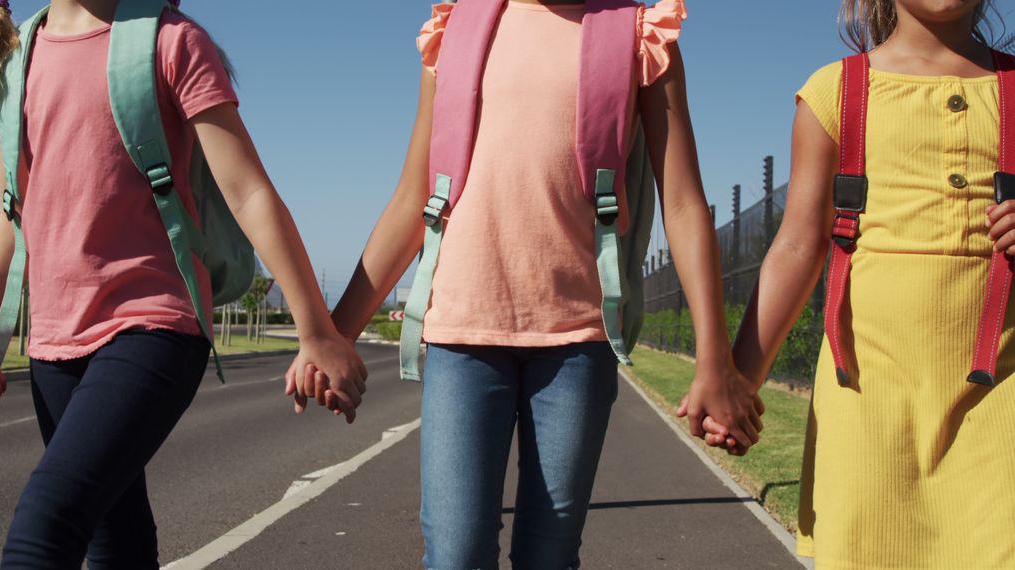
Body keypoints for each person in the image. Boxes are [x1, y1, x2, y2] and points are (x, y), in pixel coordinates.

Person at [315, 0, 763, 567]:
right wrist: (334, 335)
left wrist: (713, 360)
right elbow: (413, 200)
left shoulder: (642, 37)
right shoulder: (453, 31)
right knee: (455, 553)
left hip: (577, 341)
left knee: (548, 557)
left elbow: (683, 202)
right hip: (462, 334)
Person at [0, 0, 366, 567]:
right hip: (53, 338)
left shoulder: (171, 41)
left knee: (46, 522)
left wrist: (316, 332)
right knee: (113, 530)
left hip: (155, 323)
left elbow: (248, 191)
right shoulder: (16, 58)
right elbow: (10, 212)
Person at [725, 0, 1015, 566]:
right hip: (868, 403)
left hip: (998, 401)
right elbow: (795, 247)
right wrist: (739, 381)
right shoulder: (836, 92)